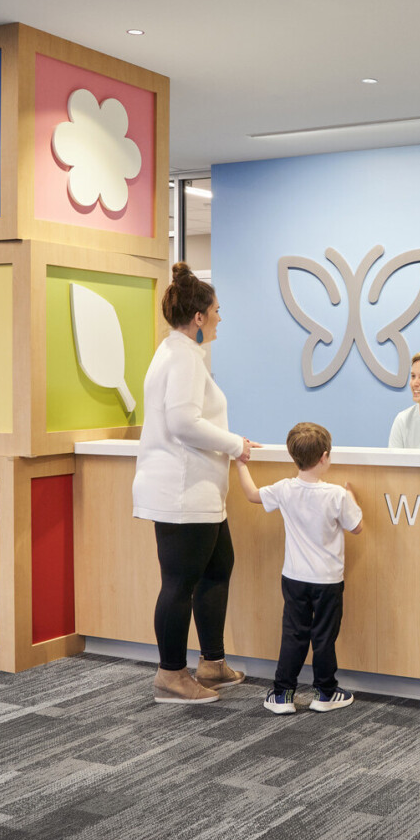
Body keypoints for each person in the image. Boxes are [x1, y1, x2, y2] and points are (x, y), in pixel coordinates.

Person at [133, 263, 258, 705]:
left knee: (218, 567)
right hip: (181, 490)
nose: (221, 318)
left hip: (197, 490)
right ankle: (171, 675)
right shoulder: (183, 355)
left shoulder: (178, 352)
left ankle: (211, 662)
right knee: (180, 583)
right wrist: (234, 444)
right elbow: (184, 422)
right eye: (217, 311)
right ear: (199, 317)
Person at [233, 421, 363, 715]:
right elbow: (357, 527)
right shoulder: (337, 495)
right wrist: (352, 498)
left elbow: (252, 495)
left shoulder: (284, 489)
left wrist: (241, 463)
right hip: (328, 580)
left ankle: (283, 695)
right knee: (323, 637)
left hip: (293, 578)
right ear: (325, 456)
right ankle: (325, 692)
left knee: (294, 634)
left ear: (294, 458)